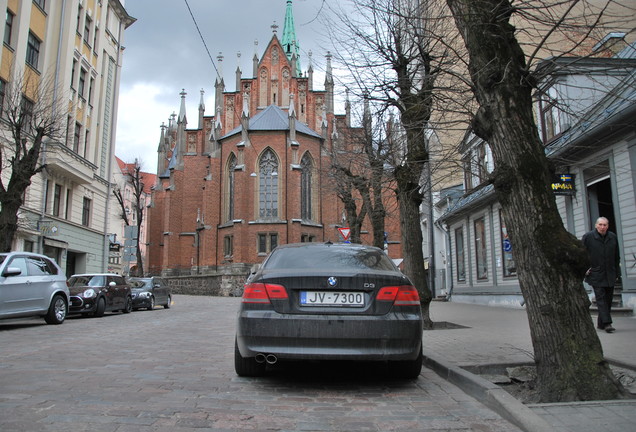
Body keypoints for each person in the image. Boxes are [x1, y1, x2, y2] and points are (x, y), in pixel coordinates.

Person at [582, 217, 620, 333]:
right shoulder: (588, 237)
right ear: (596, 225)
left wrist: (617, 272)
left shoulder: (612, 237)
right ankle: (608, 323)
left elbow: (616, 256)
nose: (602, 227)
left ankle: (601, 323)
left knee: (608, 299)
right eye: (600, 225)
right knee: (601, 299)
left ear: (607, 226)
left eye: (605, 225)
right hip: (596, 273)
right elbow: (581, 253)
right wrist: (584, 268)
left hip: (610, 273)